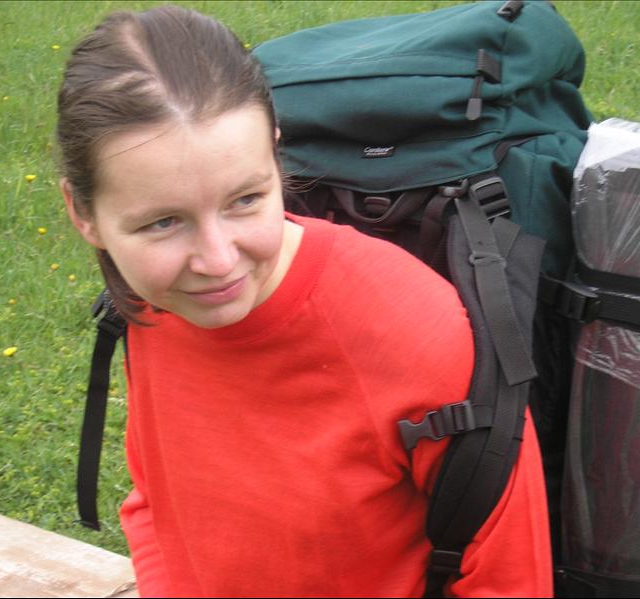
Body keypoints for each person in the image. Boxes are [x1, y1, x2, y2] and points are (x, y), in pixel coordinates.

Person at [57, 5, 552, 597]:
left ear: (274, 153)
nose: (217, 261)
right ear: (83, 213)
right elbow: (157, 501)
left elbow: (510, 578)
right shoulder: (154, 304)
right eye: (163, 222)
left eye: (245, 199)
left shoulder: (414, 330)